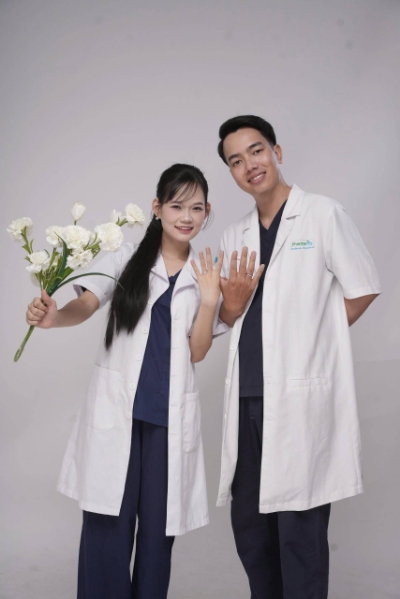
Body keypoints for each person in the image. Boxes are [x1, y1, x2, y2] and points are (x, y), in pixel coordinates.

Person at [25, 163, 226, 599]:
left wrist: (210, 300)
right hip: (117, 415)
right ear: (157, 207)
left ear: (207, 212)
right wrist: (54, 317)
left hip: (166, 424)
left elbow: (197, 351)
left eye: (196, 208)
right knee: (107, 531)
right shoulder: (126, 258)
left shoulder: (206, 272)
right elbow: (86, 306)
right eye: (176, 206)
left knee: (157, 538)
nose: (186, 217)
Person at [215, 115, 381, 599]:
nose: (250, 165)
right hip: (247, 398)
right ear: (232, 173)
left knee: (299, 531)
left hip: (297, 397)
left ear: (277, 152)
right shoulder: (235, 235)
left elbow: (363, 286)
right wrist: (231, 303)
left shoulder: (322, 214)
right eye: (236, 160)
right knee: (251, 530)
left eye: (257, 150)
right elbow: (228, 314)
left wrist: (312, 341)